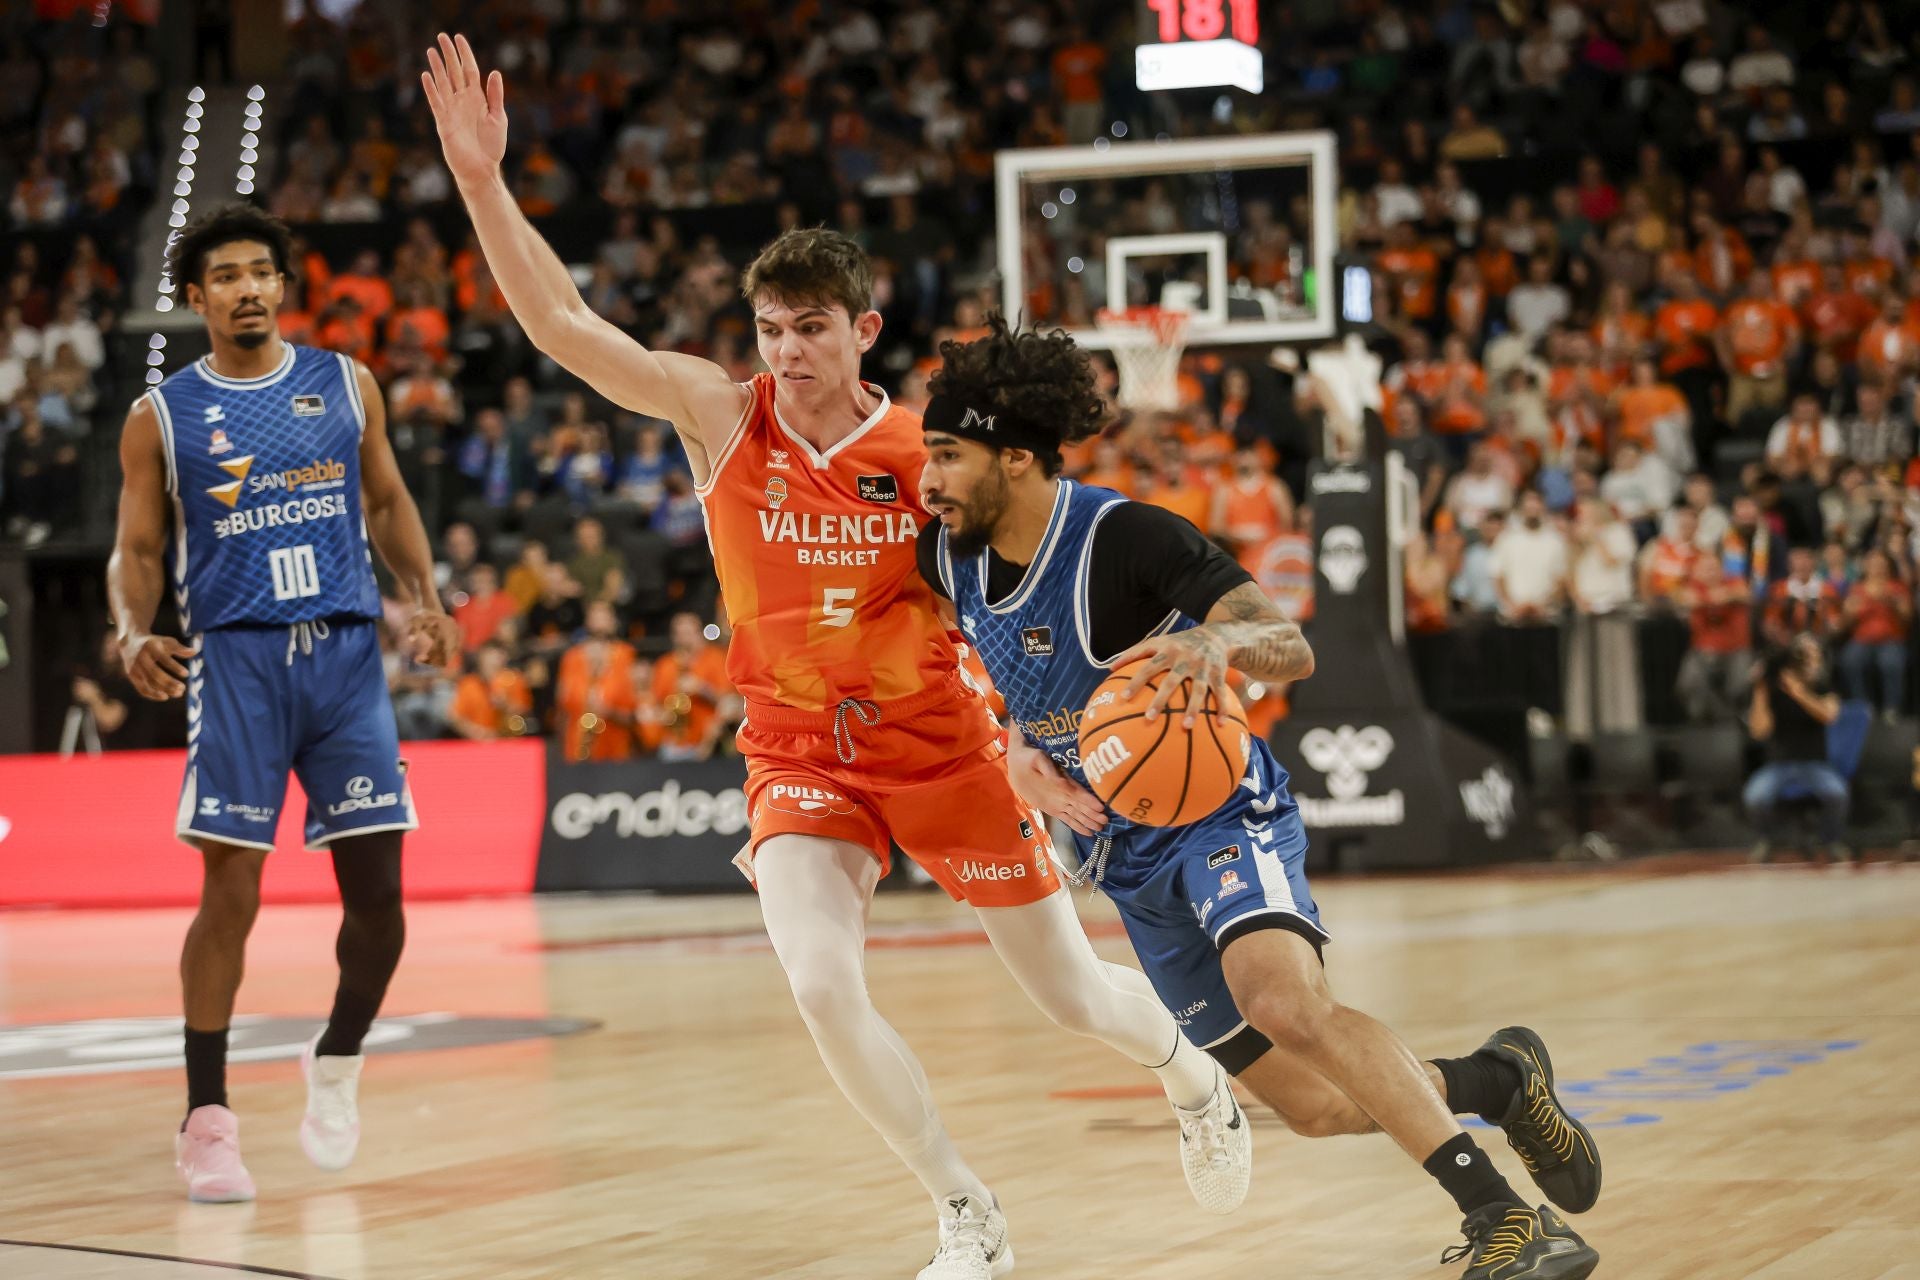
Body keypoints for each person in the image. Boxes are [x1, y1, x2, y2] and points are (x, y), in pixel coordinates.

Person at [424, 36, 1241, 1277]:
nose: (785, 350)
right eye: (767, 328)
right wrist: (485, 184)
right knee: (818, 983)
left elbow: (1005, 599)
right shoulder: (717, 413)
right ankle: (963, 1205)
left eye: (809, 328)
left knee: (1072, 995)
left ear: (863, 328)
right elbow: (561, 321)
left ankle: (1193, 1078)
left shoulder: (930, 458)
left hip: (943, 746)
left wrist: (1033, 736)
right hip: (799, 750)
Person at [917, 318, 1601, 1279]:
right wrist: (1015, 754)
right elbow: (988, 679)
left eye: (946, 455)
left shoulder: (1125, 537)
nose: (929, 478)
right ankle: (1501, 1077)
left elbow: (1290, 643)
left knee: (1281, 999)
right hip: (1123, 859)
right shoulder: (945, 555)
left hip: (1218, 808)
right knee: (1316, 1110)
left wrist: (1216, 643)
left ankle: (1506, 1220)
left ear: (1015, 458)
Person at [105, 203, 459, 1203]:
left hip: (346, 655)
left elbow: (386, 500)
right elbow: (134, 551)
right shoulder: (161, 415)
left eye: (263, 270)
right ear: (196, 296)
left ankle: (337, 1056)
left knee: (382, 903)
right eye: (227, 275)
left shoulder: (345, 383)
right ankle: (207, 1115)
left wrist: (425, 601)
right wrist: (134, 630)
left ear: (283, 284)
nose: (249, 287)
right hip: (241, 661)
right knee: (233, 888)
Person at [1746, 633, 1852, 863]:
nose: (1812, 661)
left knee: (1837, 794)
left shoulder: (1822, 685)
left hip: (1815, 764)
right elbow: (1759, 731)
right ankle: (1765, 841)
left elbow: (1828, 715)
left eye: (1815, 656)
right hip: (1779, 765)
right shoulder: (1772, 689)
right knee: (1755, 796)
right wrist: (1760, 689)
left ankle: (1832, 841)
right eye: (1806, 656)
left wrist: (1799, 693)